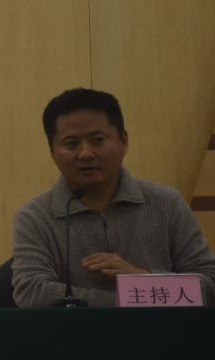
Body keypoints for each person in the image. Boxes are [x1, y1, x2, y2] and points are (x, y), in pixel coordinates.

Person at [12, 88, 215, 308]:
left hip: (162, 329)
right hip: (75, 331)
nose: (86, 153)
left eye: (98, 140)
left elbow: (209, 284)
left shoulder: (166, 203)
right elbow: (31, 293)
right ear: (52, 151)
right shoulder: (35, 216)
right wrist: (130, 298)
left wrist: (142, 277)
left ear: (124, 141)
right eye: (71, 144)